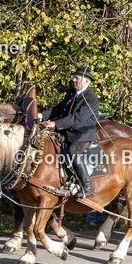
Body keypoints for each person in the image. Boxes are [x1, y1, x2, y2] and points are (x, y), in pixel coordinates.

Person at [42, 66, 100, 198]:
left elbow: (77, 117)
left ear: (86, 81)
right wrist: (41, 116)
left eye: (76, 78)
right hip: (67, 131)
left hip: (82, 134)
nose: (73, 80)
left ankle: (87, 186)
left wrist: (56, 124)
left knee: (73, 151)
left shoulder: (91, 98)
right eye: (73, 77)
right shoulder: (71, 93)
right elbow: (58, 109)